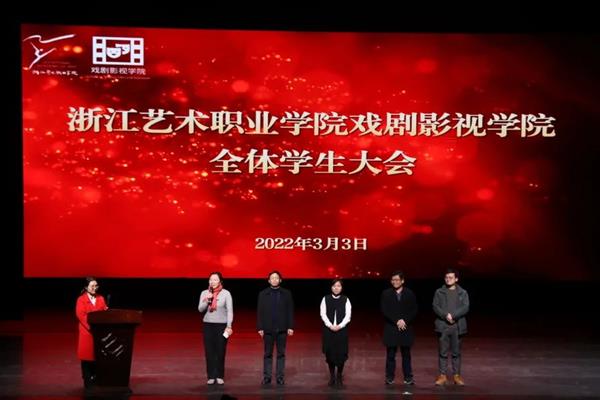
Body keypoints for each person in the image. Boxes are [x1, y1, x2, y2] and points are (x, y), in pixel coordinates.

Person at [433, 268, 470, 386]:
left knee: (456, 353)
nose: (448, 279)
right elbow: (435, 306)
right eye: (446, 277)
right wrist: (445, 315)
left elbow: (465, 307)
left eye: (451, 277)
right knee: (442, 352)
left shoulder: (462, 292)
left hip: (457, 327)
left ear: (456, 279)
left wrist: (453, 315)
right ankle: (442, 376)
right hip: (443, 326)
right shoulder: (439, 292)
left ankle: (456, 376)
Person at [256, 270, 294, 386]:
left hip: (282, 329)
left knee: (281, 354)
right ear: (269, 280)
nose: (274, 280)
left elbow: (290, 311)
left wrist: (290, 326)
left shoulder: (286, 293)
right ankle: (267, 377)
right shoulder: (263, 294)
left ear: (280, 280)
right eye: (272, 278)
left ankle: (280, 377)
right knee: (268, 354)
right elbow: (260, 312)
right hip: (268, 329)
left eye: (276, 278)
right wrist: (260, 327)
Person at [380, 271, 418, 386]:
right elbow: (384, 310)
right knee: (391, 355)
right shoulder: (386, 293)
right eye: (393, 280)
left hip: (405, 327)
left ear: (402, 281)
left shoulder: (409, 293)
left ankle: (408, 377)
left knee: (406, 354)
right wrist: (396, 320)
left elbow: (414, 310)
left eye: (397, 280)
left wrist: (404, 320)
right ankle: (389, 377)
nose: (394, 282)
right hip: (391, 327)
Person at [198, 272, 233, 385]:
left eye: (215, 279)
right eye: (210, 279)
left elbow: (230, 311)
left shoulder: (226, 293)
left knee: (220, 351)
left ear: (220, 281)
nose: (212, 282)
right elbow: (200, 309)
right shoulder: (204, 293)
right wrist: (207, 300)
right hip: (208, 325)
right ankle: (211, 376)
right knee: (209, 351)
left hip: (221, 325)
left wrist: (229, 326)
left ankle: (219, 375)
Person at [75, 277, 108, 388]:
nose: (95, 288)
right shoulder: (81, 299)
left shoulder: (101, 298)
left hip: (99, 333)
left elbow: (104, 312)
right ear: (86, 287)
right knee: (87, 358)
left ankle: (97, 379)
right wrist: (92, 327)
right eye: (92, 286)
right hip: (87, 332)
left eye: (96, 286)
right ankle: (87, 381)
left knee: (97, 357)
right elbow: (81, 315)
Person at [320, 279, 351, 388]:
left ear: (341, 288)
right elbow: (323, 314)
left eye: (338, 286)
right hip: (329, 331)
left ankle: (339, 376)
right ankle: (332, 376)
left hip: (341, 331)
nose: (336, 288)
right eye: (334, 286)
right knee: (330, 354)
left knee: (341, 354)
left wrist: (340, 326)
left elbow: (348, 316)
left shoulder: (346, 299)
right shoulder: (325, 299)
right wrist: (330, 325)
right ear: (331, 287)